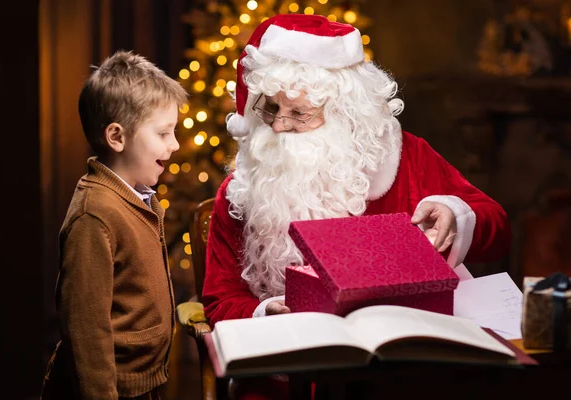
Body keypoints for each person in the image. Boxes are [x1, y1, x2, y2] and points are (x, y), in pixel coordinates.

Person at [202, 15, 511, 397]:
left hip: (403, 371)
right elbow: (219, 300)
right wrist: (266, 313)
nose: (279, 127)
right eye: (269, 109)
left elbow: (497, 228)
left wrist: (456, 214)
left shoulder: (405, 158)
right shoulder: (244, 188)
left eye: (299, 113)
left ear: (342, 112)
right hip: (288, 373)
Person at [41, 50, 187, 400]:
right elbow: (86, 333)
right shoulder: (95, 215)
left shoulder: (137, 198)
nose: (175, 144)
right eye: (164, 133)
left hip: (143, 385)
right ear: (117, 137)